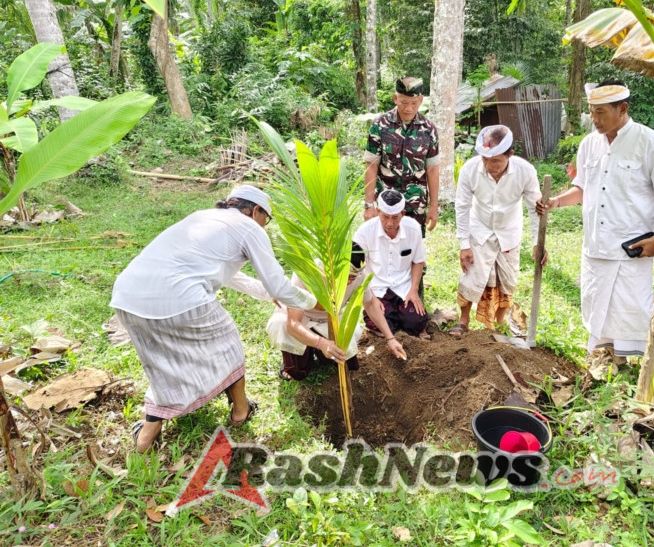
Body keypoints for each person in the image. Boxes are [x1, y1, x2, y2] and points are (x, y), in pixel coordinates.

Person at [110, 185, 317, 453]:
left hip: (127, 297)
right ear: (255, 210)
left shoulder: (203, 217)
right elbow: (278, 285)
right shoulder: (249, 227)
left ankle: (145, 439)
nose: (265, 226)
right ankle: (241, 412)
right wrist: (313, 301)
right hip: (179, 298)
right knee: (229, 347)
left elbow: (231, 276)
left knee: (163, 364)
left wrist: (270, 295)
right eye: (267, 218)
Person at [536, 80, 654, 363]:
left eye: (601, 112)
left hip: (632, 245)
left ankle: (628, 362)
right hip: (596, 245)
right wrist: (557, 202)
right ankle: (602, 358)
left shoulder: (649, 142)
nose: (595, 119)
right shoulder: (590, 144)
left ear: (622, 109)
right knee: (595, 302)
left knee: (629, 308)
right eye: (592, 112)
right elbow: (582, 187)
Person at [450, 124, 544, 336]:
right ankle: (463, 321)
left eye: (495, 160)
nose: (488, 165)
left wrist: (538, 243)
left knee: (506, 280)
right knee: (471, 275)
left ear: (510, 154)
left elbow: (535, 209)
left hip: (509, 231)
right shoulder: (470, 169)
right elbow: (462, 206)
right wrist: (464, 244)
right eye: (484, 159)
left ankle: (498, 326)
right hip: (479, 228)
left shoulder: (525, 171)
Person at [268, 253, 408, 381]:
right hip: (302, 320)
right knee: (297, 372)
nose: (349, 282)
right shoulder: (307, 272)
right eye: (346, 276)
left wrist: (390, 338)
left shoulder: (359, 275)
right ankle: (304, 353)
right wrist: (321, 343)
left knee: (348, 365)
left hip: (331, 321)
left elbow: (370, 304)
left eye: (353, 277)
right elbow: (293, 323)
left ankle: (317, 351)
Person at [364, 76, 440, 234]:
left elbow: (432, 169)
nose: (409, 108)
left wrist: (433, 206)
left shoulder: (429, 129)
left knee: (412, 252)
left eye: (414, 103)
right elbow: (371, 166)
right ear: (395, 98)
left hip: (415, 205)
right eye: (403, 102)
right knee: (385, 249)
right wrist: (369, 205)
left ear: (420, 100)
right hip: (386, 205)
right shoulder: (380, 125)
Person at [352, 189, 430, 338]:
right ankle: (392, 318)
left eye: (395, 218)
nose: (390, 223)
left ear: (403, 214)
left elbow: (418, 261)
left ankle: (399, 316)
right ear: (377, 211)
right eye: (385, 217)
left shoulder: (413, 228)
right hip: (377, 288)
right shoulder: (364, 232)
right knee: (380, 324)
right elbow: (358, 269)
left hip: (403, 288)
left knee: (416, 322)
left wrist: (413, 290)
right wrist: (371, 297)